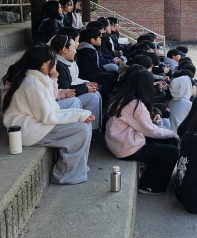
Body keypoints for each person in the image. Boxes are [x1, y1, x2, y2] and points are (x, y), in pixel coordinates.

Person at [1, 43, 94, 184]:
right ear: (44, 64)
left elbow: (53, 108)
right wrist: (80, 116)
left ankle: (76, 170)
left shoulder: (37, 78)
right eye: (53, 60)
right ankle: (65, 175)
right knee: (81, 129)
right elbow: (48, 116)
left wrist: (82, 114)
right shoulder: (32, 84)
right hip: (27, 130)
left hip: (35, 123)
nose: (55, 63)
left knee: (84, 124)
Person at [105, 66, 179, 194]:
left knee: (169, 142)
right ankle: (150, 186)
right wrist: (172, 133)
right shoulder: (135, 104)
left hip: (120, 142)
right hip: (126, 148)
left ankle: (150, 174)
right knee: (171, 151)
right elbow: (152, 131)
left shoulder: (124, 97)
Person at [51, 33, 102, 132]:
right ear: (64, 50)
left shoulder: (64, 63)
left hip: (61, 98)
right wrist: (85, 88)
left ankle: (94, 129)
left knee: (95, 94)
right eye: (74, 47)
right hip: (59, 102)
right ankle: (91, 129)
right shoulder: (58, 66)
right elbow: (66, 91)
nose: (75, 50)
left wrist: (85, 85)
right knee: (92, 97)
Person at [76, 27, 118, 102]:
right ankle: (103, 97)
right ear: (92, 40)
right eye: (99, 37)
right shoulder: (85, 51)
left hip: (93, 71)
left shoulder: (91, 48)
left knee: (115, 73)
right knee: (110, 77)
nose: (100, 39)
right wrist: (102, 71)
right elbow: (89, 68)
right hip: (86, 75)